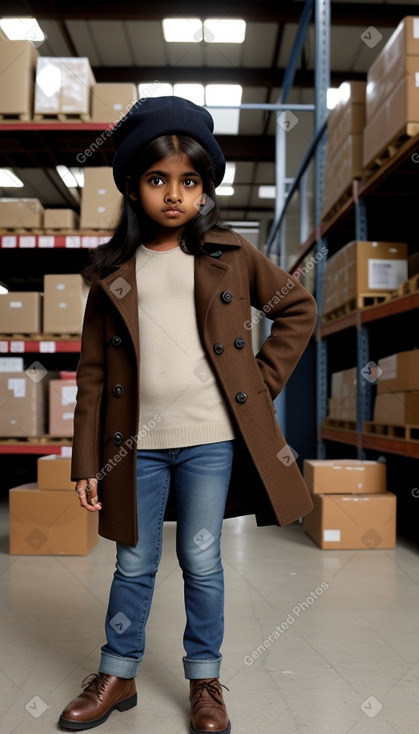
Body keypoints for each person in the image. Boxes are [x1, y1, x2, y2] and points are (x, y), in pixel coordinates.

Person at [58, 96, 318, 733]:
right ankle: (118, 674)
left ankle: (205, 682)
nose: (174, 196)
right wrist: (86, 460)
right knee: (133, 564)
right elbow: (91, 375)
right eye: (157, 180)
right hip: (134, 447)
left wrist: (259, 382)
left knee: (202, 561)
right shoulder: (112, 270)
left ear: (205, 189)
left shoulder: (231, 253)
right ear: (132, 186)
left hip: (211, 442)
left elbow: (298, 308)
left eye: (189, 182)